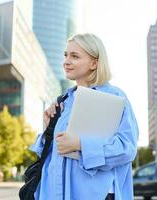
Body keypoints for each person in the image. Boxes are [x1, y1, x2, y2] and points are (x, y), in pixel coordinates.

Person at [30, 33, 139, 200]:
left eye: (75, 56)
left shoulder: (115, 97)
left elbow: (127, 149)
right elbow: (46, 154)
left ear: (94, 63)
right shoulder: (62, 101)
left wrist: (80, 144)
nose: (66, 61)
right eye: (65, 55)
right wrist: (48, 130)